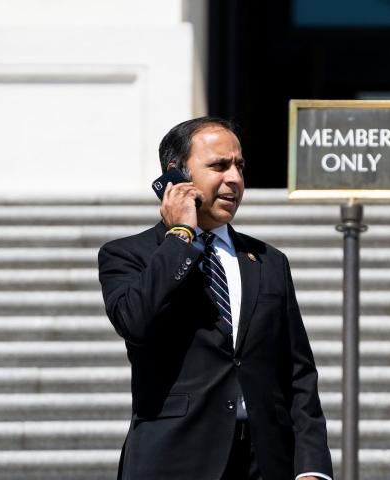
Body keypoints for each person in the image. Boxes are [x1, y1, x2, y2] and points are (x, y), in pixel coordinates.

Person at [97, 117, 333, 480]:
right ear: (176, 176)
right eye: (219, 166)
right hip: (173, 459)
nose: (235, 179)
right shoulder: (128, 255)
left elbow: (298, 371)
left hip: (265, 461)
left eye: (239, 166)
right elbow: (135, 322)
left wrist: (312, 467)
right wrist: (180, 236)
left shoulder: (269, 261)